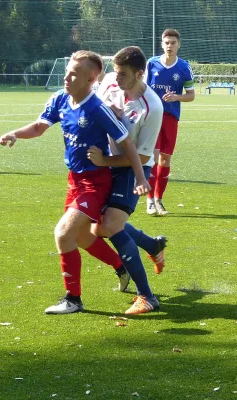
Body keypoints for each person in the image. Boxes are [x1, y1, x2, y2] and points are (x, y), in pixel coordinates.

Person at [0, 50, 149, 315]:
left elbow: (127, 143)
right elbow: (38, 127)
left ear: (91, 79)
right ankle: (120, 266)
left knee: (63, 233)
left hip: (95, 182)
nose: (66, 77)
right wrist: (15, 134)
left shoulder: (97, 109)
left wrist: (140, 178)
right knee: (79, 236)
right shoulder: (60, 98)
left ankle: (73, 299)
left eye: (74, 74)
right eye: (67, 71)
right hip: (74, 180)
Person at [87, 46, 166, 315]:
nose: (115, 79)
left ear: (139, 74)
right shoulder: (110, 82)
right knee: (99, 228)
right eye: (115, 72)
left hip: (131, 168)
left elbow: (142, 157)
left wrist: (104, 161)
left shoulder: (152, 107)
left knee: (110, 225)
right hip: (105, 162)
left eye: (122, 74)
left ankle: (147, 297)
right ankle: (152, 245)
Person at [145, 28, 195, 216]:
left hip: (171, 118)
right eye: (167, 43)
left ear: (178, 45)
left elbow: (191, 96)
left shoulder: (184, 67)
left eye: (173, 43)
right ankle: (149, 201)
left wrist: (176, 97)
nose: (170, 46)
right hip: (151, 118)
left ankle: (159, 199)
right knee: (153, 157)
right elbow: (142, 88)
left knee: (165, 160)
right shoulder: (151, 64)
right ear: (162, 44)